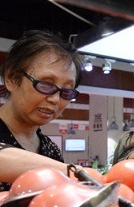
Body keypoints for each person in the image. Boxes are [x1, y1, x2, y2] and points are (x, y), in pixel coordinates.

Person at [0, 30, 87, 190]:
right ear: (11, 78)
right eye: (46, 85)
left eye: (67, 92)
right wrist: (77, 173)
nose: (55, 99)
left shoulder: (50, 149)